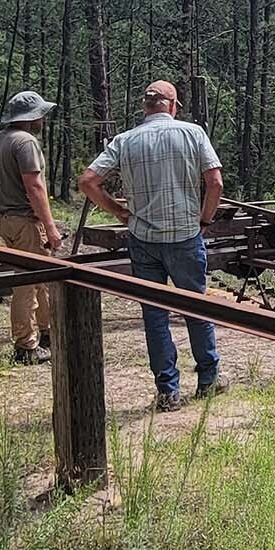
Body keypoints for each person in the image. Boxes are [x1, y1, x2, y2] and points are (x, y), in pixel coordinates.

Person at [78, 80, 227, 412]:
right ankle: (208, 379)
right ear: (172, 106)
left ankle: (167, 391)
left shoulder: (125, 140)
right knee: (196, 307)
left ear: (146, 107)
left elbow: (87, 181)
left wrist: (119, 212)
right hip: (185, 235)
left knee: (155, 315)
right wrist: (204, 219)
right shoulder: (193, 134)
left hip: (144, 239)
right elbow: (215, 183)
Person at [0, 90, 61, 365]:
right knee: (27, 284)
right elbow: (35, 186)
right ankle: (26, 346)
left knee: (40, 280)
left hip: (6, 219)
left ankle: (47, 333)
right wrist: (50, 228)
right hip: (25, 221)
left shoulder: (1, 138)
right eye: (41, 114)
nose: (43, 119)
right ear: (32, 117)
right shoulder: (25, 141)